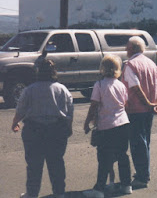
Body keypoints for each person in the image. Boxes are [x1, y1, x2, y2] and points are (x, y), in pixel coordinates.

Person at [11, 59, 74, 198]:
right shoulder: (62, 89)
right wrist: (69, 128)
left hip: (34, 130)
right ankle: (59, 192)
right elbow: (69, 111)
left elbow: (20, 109)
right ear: (54, 72)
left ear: (38, 72)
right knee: (56, 162)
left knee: (34, 164)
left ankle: (32, 193)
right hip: (57, 130)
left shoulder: (29, 90)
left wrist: (15, 122)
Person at [83, 54, 132, 198]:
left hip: (106, 125)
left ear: (102, 68)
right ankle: (126, 185)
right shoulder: (121, 85)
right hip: (123, 123)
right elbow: (125, 104)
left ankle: (99, 189)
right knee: (122, 155)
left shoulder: (99, 85)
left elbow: (93, 106)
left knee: (104, 158)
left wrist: (87, 123)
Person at [122, 36, 157, 189]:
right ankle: (145, 172)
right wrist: (155, 104)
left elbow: (135, 88)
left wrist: (146, 102)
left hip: (136, 109)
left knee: (137, 143)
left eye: (127, 47)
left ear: (132, 48)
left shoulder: (130, 65)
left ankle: (142, 177)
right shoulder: (151, 63)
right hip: (149, 110)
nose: (126, 49)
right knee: (146, 141)